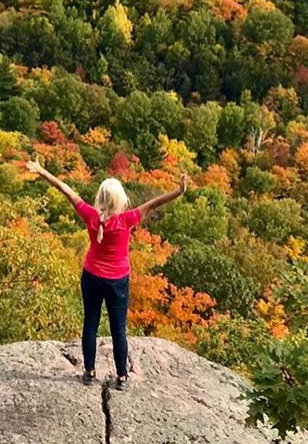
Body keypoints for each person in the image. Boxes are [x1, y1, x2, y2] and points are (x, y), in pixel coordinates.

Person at [25, 157, 188, 390]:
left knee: (90, 322)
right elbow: (153, 204)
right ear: (121, 200)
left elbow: (67, 190)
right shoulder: (126, 219)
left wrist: (41, 171)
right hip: (117, 280)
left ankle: (89, 373)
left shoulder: (91, 216)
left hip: (91, 276)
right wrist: (178, 191)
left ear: (100, 198)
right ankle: (121, 377)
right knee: (118, 329)